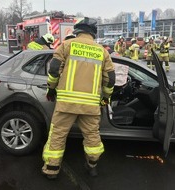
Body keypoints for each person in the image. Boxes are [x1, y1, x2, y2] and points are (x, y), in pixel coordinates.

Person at [42, 17, 115, 179]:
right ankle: (92, 166)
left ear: (77, 31)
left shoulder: (67, 45)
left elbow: (54, 69)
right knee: (92, 137)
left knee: (58, 134)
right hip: (90, 106)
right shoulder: (102, 52)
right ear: (93, 33)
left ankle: (52, 170)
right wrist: (106, 97)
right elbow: (110, 79)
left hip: (66, 103)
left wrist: (51, 89)